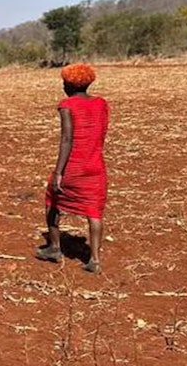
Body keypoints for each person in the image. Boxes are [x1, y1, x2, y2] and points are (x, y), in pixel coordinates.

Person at [35, 63, 109, 273]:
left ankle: (54, 247)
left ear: (68, 84)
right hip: (95, 165)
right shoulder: (101, 103)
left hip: (73, 168)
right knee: (94, 212)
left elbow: (67, 139)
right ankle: (94, 259)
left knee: (52, 201)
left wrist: (59, 172)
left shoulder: (67, 105)